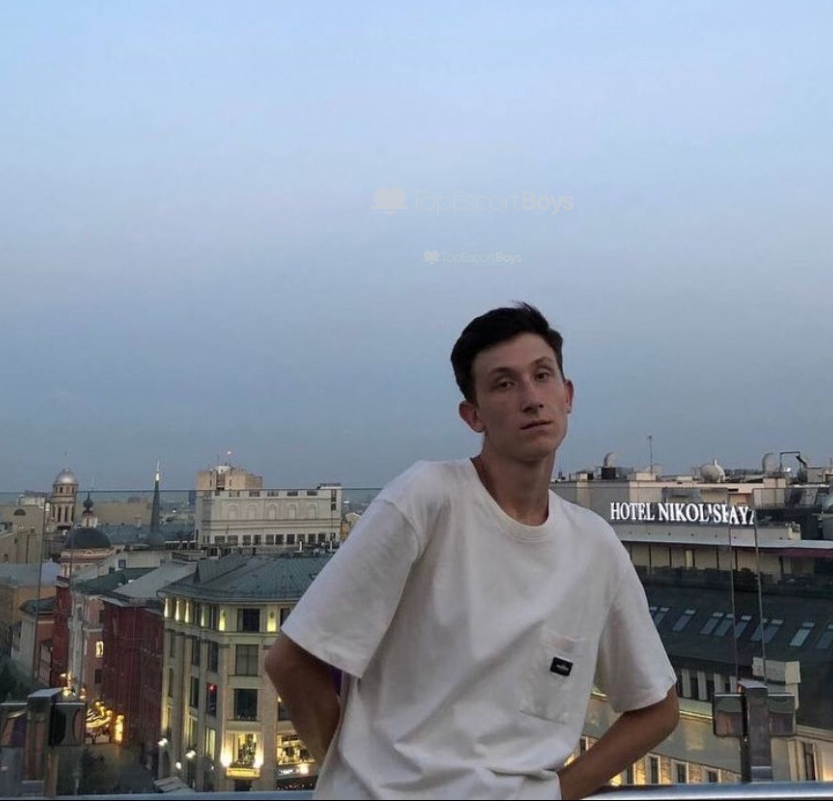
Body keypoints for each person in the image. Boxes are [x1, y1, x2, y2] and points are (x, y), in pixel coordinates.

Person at [264, 302, 679, 799]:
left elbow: (657, 707)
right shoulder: (426, 500)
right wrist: (357, 780)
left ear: (567, 395)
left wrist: (559, 793)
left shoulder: (595, 547)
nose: (531, 398)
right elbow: (292, 662)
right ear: (473, 415)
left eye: (542, 376)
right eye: (504, 384)